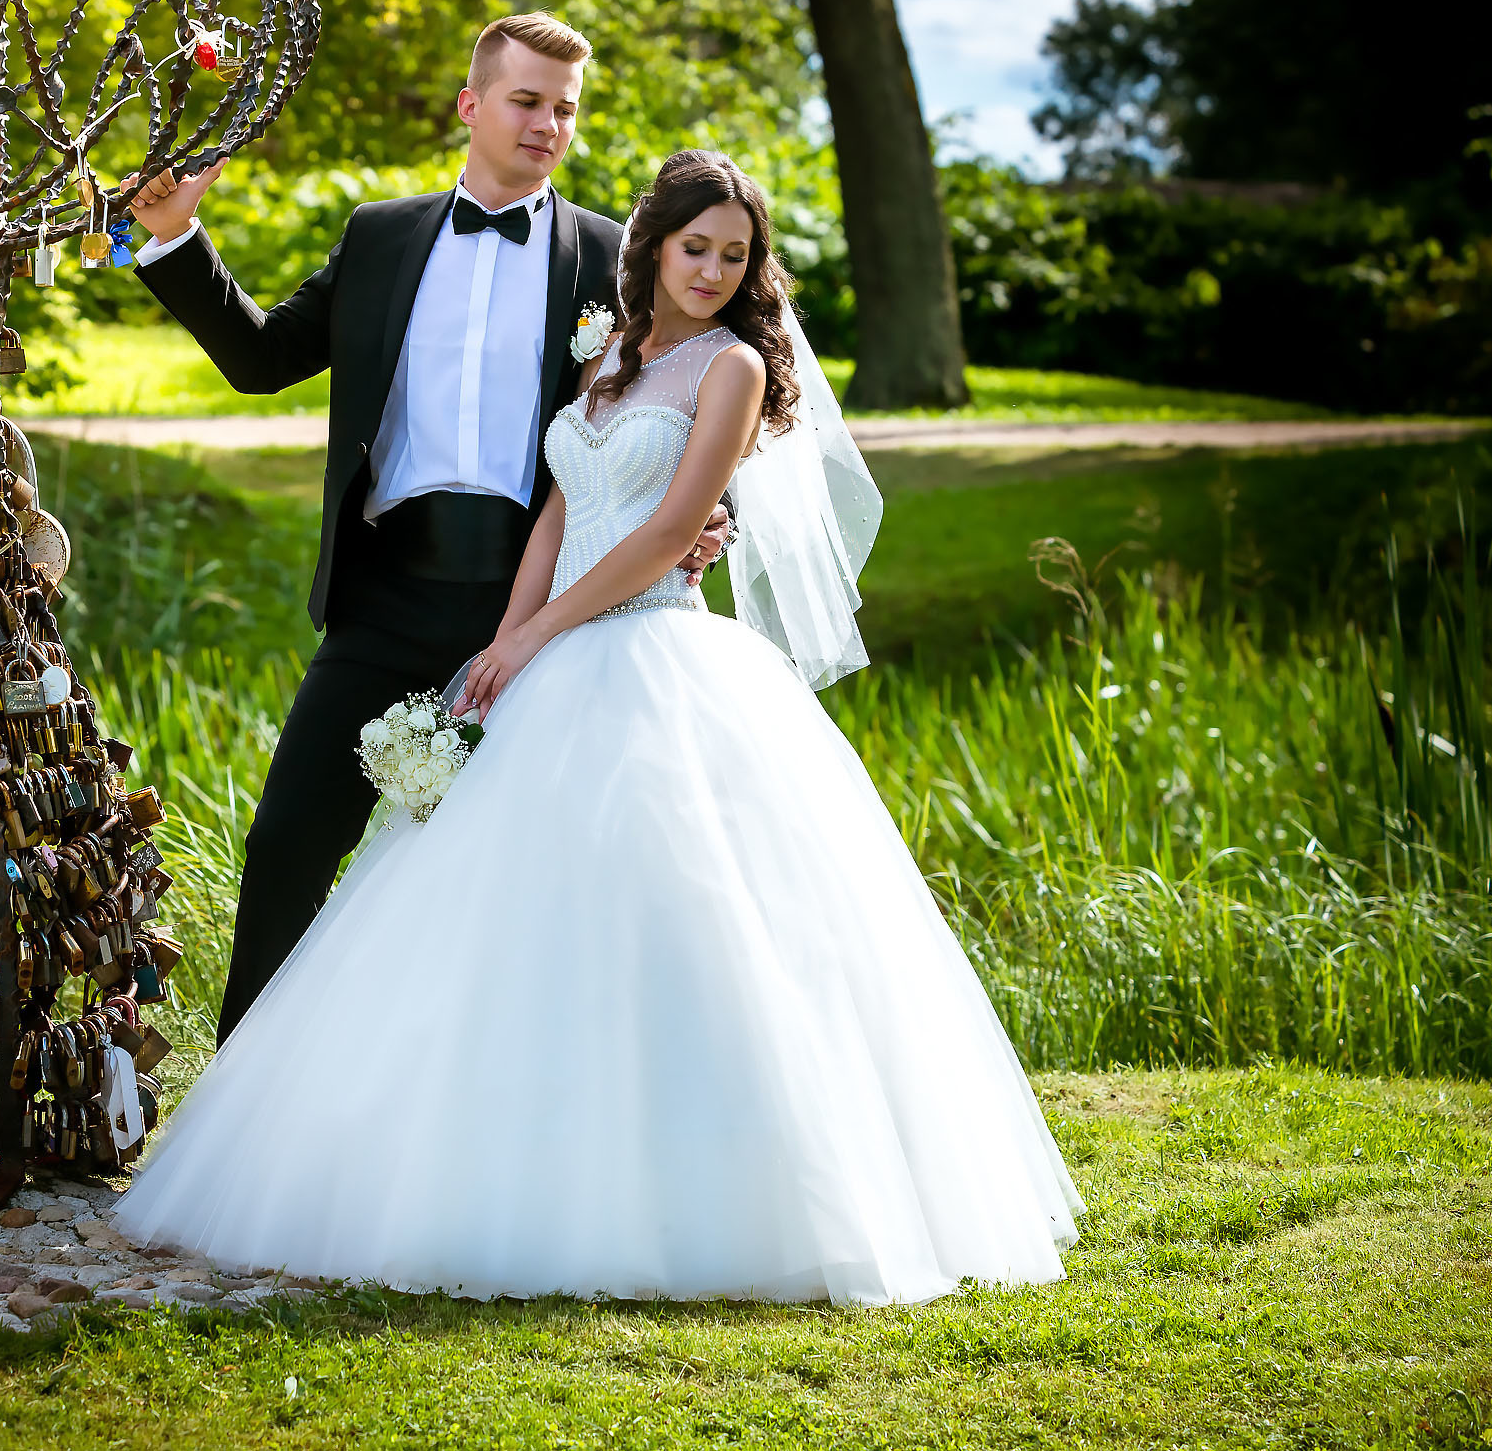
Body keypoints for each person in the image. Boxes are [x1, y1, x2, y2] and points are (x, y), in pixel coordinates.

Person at [112, 150, 1084, 1305]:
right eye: (696, 248)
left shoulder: (722, 359)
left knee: (663, 907)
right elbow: (556, 500)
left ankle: (694, 1183)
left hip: (646, 647)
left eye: (735, 256)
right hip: (486, 625)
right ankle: (296, 1132)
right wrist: (509, 645)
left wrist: (545, 625)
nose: (713, 270)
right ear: (655, 248)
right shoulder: (603, 346)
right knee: (408, 881)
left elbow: (673, 524)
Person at [125, 13, 732, 1046]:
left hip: (532, 610)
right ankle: (243, 1106)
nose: (548, 125)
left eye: (565, 109)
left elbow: (690, 385)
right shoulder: (381, 235)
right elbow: (262, 359)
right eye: (527, 101)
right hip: (382, 596)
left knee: (524, 875)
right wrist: (180, 240)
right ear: (471, 105)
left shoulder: (611, 257)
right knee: (287, 845)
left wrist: (712, 514)